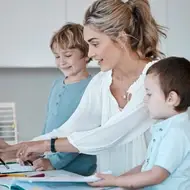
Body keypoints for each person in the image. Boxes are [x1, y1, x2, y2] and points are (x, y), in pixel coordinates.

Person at [1, 0, 166, 175]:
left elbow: (110, 135)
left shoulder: (158, 76)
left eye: (95, 44)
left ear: (121, 38)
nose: (90, 54)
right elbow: (71, 129)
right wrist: (17, 148)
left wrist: (42, 145)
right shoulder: (100, 82)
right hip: (109, 185)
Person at [2, 23, 97, 176]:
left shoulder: (92, 87)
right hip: (52, 166)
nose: (61, 62)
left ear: (86, 55)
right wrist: (37, 152)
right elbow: (48, 129)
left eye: (67, 55)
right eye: (57, 56)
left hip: (77, 171)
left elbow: (83, 135)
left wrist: (54, 161)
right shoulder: (57, 85)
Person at [88, 57, 190, 190]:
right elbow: (145, 167)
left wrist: (116, 181)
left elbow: (156, 175)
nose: (145, 100)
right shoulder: (166, 128)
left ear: (171, 98)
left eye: (149, 94)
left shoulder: (176, 133)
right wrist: (116, 182)